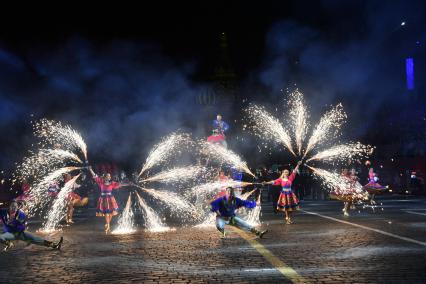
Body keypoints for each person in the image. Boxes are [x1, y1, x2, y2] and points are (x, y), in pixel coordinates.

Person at [88, 166, 127, 233]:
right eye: (108, 176)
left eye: (109, 176)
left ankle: (107, 223)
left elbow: (120, 184)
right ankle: (108, 225)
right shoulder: (101, 181)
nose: (109, 177)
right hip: (103, 199)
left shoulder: (112, 183)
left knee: (111, 212)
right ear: (105, 177)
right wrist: (91, 169)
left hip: (111, 199)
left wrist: (128, 184)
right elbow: (95, 176)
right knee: (106, 212)